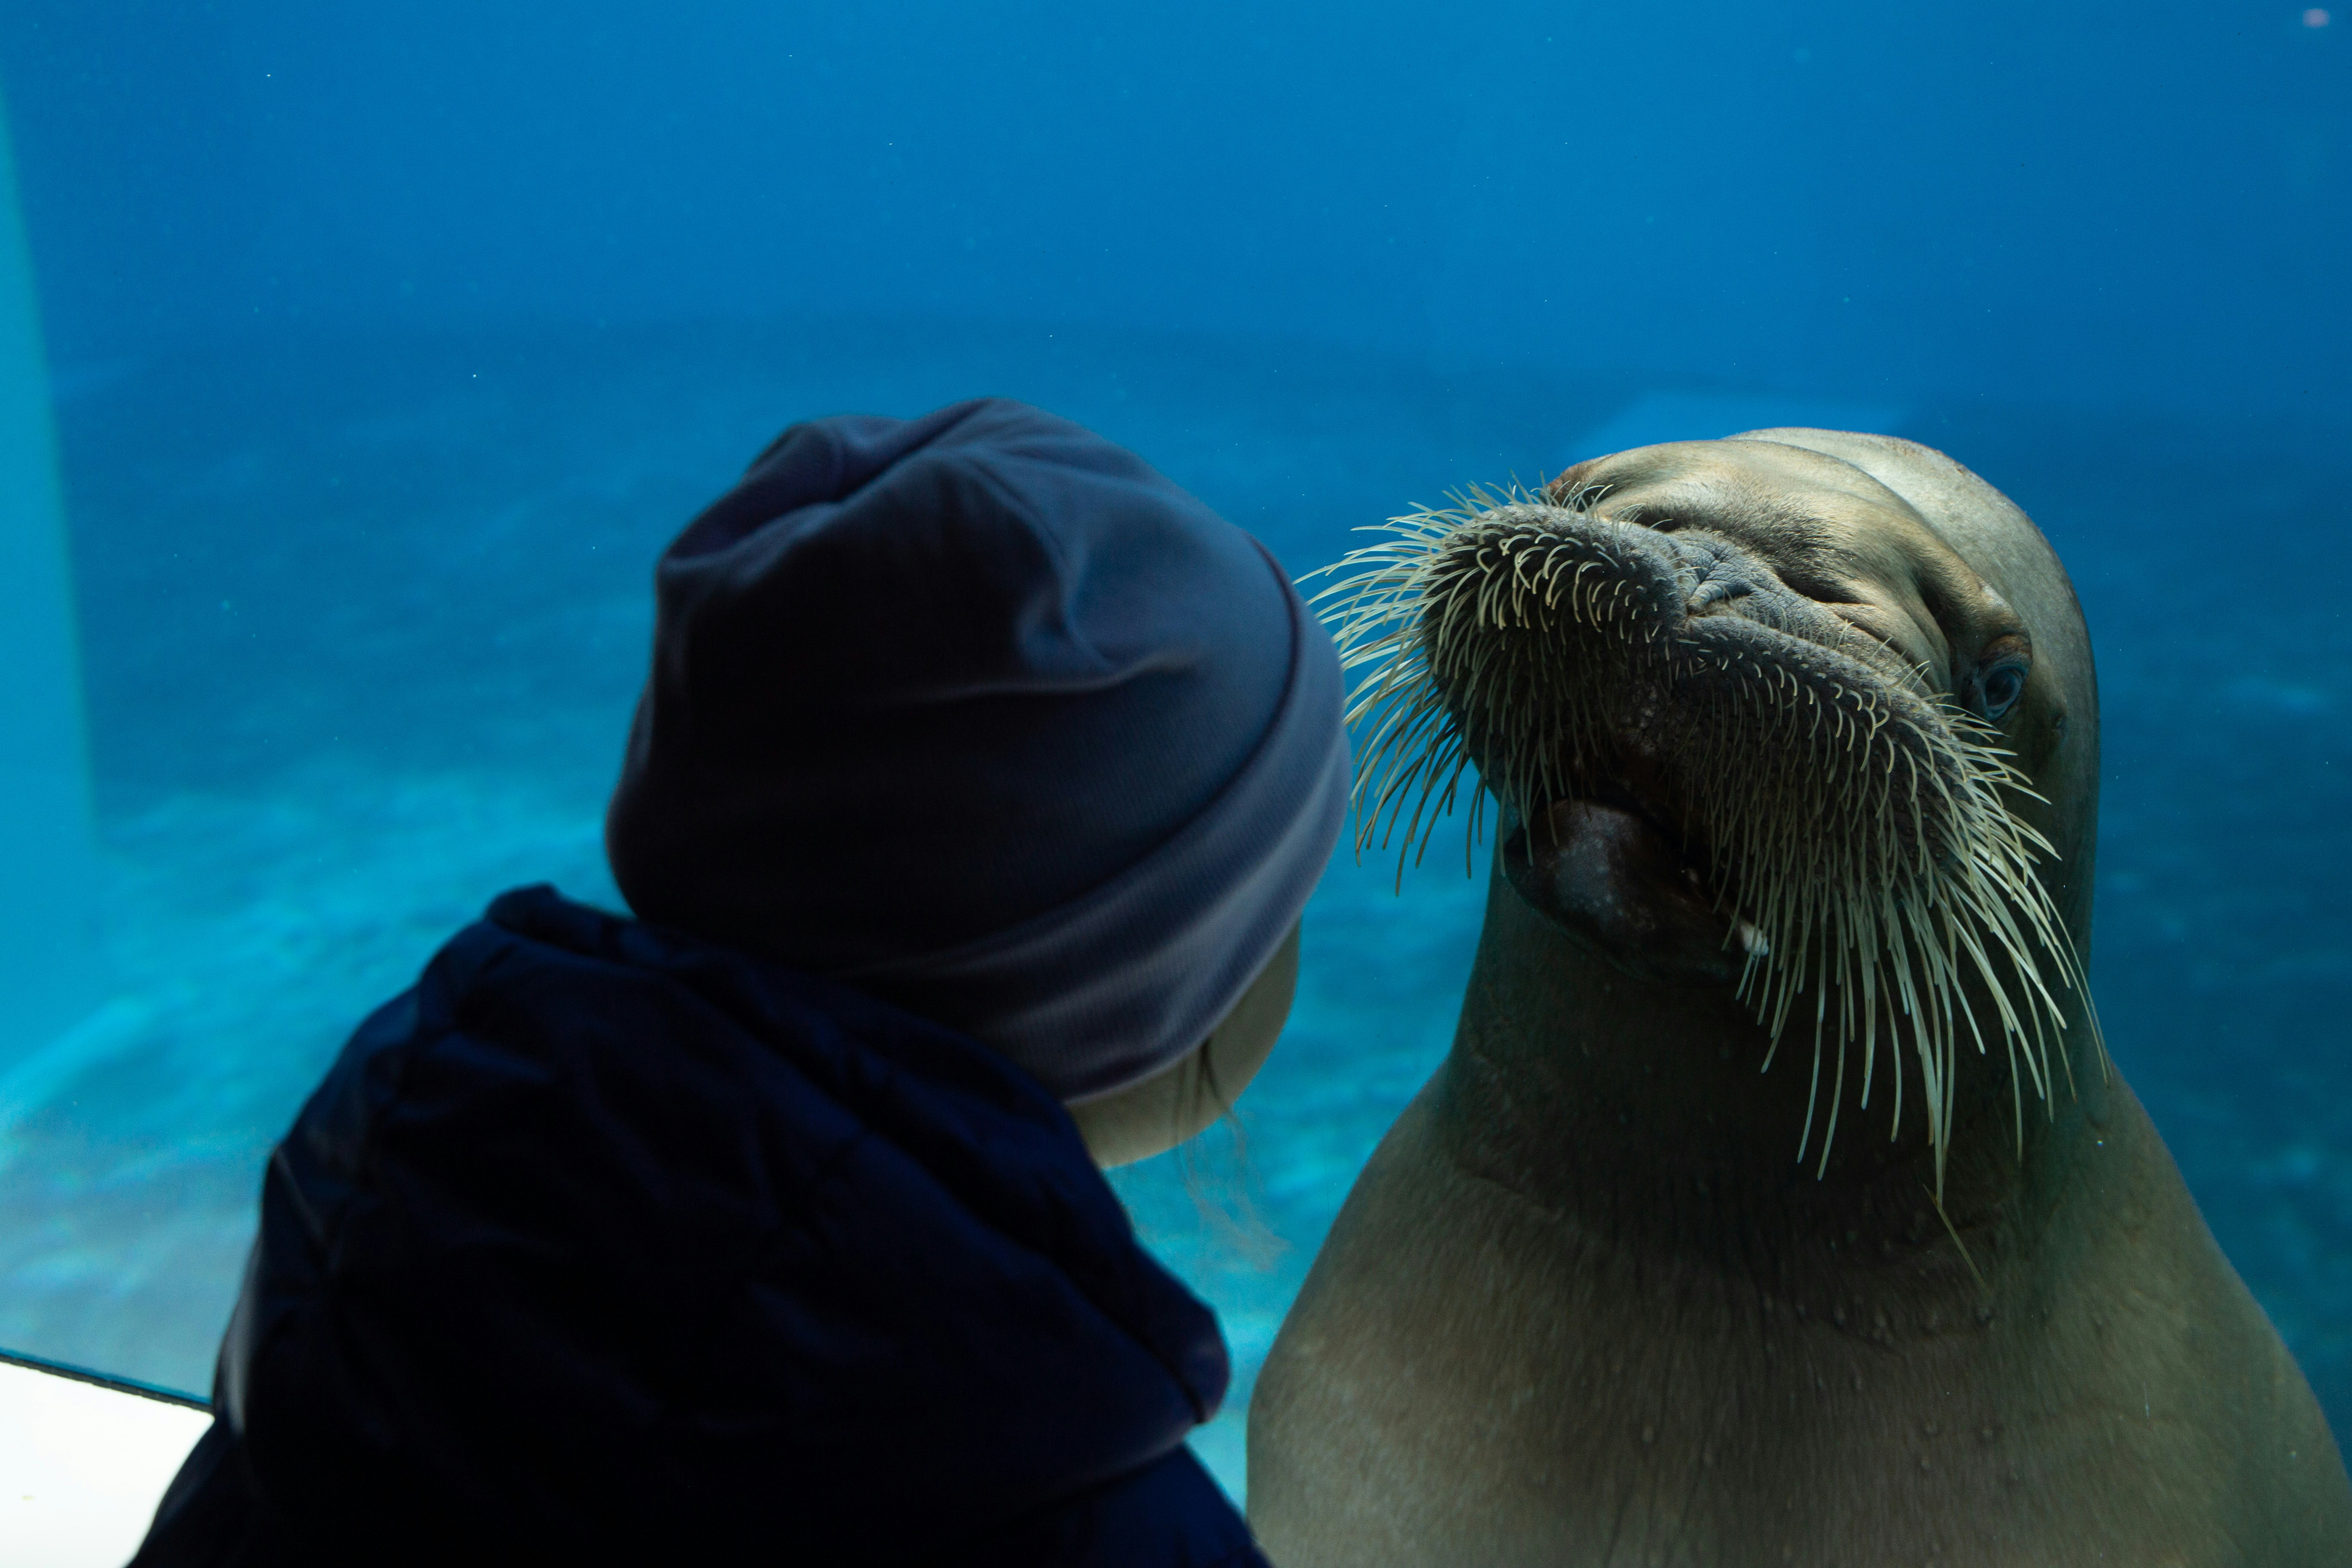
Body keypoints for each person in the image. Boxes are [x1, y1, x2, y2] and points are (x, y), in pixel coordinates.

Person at [129, 397, 1348, 1566]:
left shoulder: (380, 1235)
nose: (1294, 935)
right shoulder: (1068, 1497)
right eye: (1281, 892)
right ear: (1133, 998)